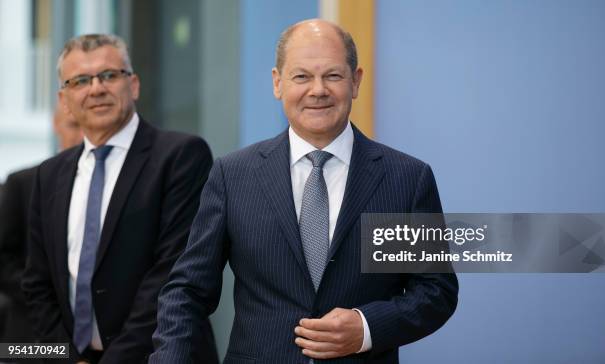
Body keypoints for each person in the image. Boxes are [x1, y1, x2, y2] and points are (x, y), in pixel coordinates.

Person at [150, 19, 458, 363]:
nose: (318, 90)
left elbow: (435, 291)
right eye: (301, 76)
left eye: (333, 76)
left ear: (355, 82)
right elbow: (187, 291)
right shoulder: (232, 175)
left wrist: (367, 327)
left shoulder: (406, 178)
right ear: (277, 83)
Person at [22, 34, 218, 364]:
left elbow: (171, 275)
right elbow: (38, 284)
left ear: (135, 85)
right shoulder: (49, 175)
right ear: (65, 99)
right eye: (81, 81)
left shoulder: (181, 157)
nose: (96, 88)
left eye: (110, 75)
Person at [0, 101, 83, 345]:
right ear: (56, 125)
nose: (81, 136)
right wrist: (47, 294)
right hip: (30, 338)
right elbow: (3, 260)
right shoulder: (22, 184)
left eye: (86, 127)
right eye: (74, 125)